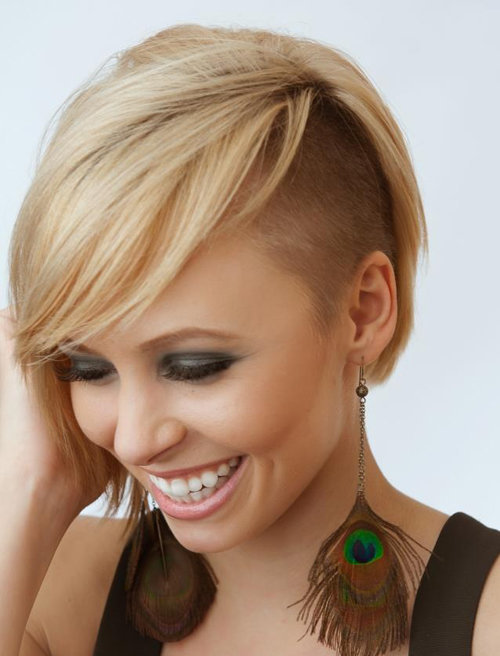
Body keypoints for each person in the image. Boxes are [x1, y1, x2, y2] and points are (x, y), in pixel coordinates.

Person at [1, 23, 499, 656]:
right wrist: (28, 490)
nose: (132, 439)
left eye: (194, 365)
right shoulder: (52, 589)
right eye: (88, 368)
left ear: (363, 312)